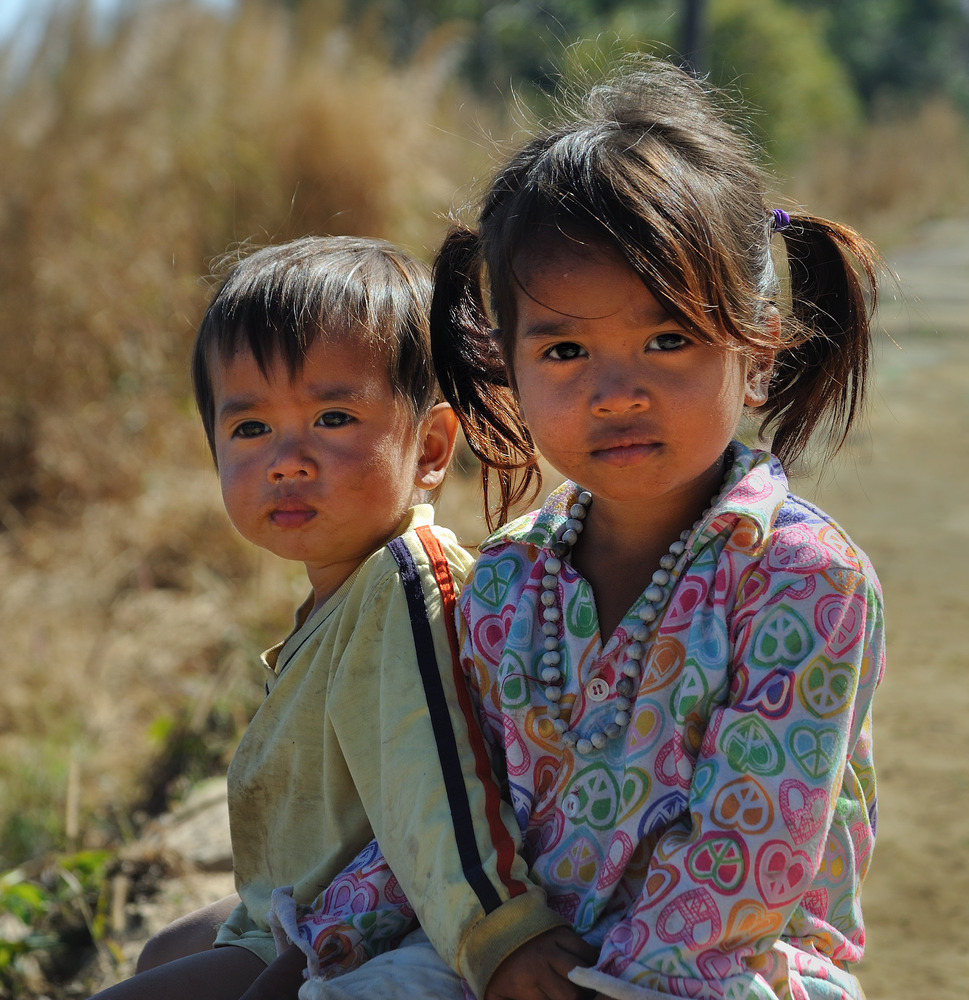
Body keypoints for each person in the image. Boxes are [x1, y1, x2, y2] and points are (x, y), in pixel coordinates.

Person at [276, 56, 887, 1000]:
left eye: (667, 338)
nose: (617, 390)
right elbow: (453, 814)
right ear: (505, 368)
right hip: (530, 954)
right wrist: (329, 937)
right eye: (564, 349)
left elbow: (748, 860)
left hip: (716, 970)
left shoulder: (802, 578)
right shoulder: (506, 582)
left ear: (756, 353)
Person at [88, 235, 570, 1000]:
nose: (287, 459)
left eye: (334, 418)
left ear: (432, 447)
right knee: (160, 954)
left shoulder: (409, 586)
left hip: (376, 918)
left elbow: (439, 780)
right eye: (251, 429)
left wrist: (499, 935)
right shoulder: (343, 591)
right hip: (295, 900)